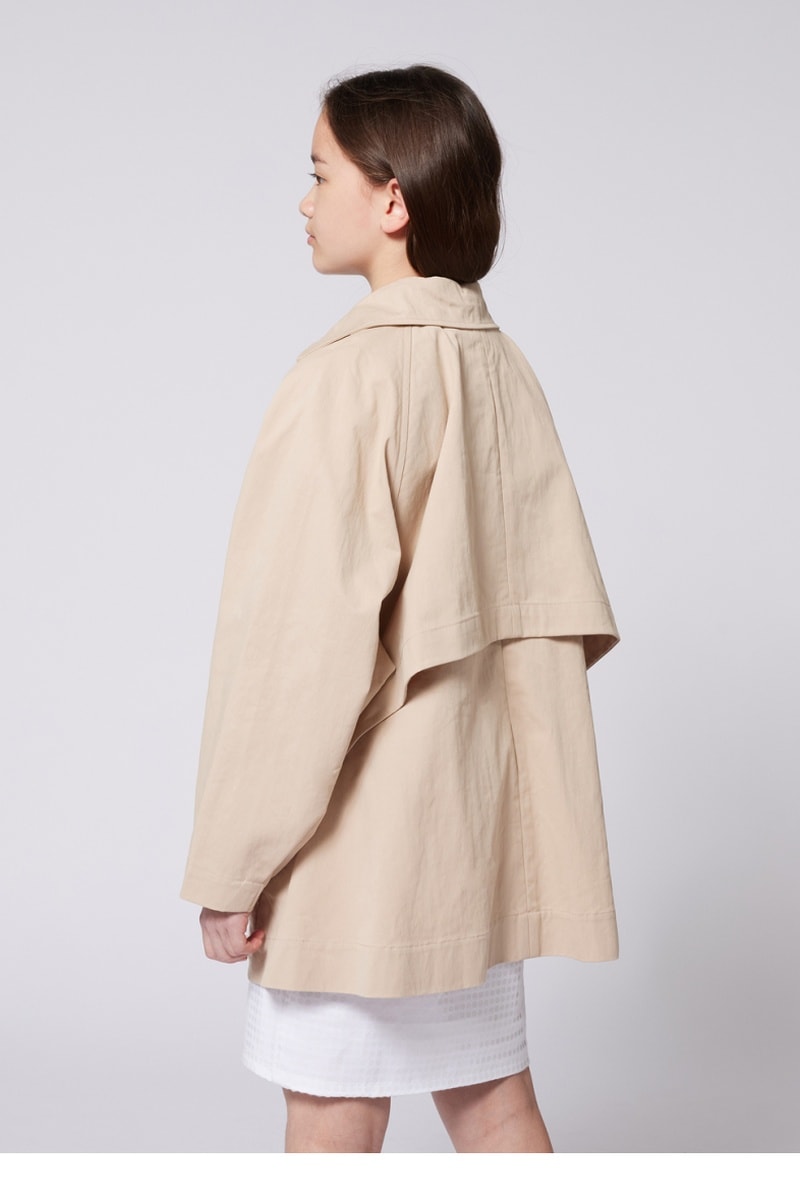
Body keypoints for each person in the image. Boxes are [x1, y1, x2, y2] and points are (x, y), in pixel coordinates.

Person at [180, 64, 620, 1153]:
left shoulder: (346, 376)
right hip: (465, 837)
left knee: (331, 1106)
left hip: (358, 844)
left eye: (318, 172)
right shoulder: (501, 367)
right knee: (493, 1103)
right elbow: (546, 621)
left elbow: (295, 652)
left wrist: (235, 865)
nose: (302, 200)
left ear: (392, 198)